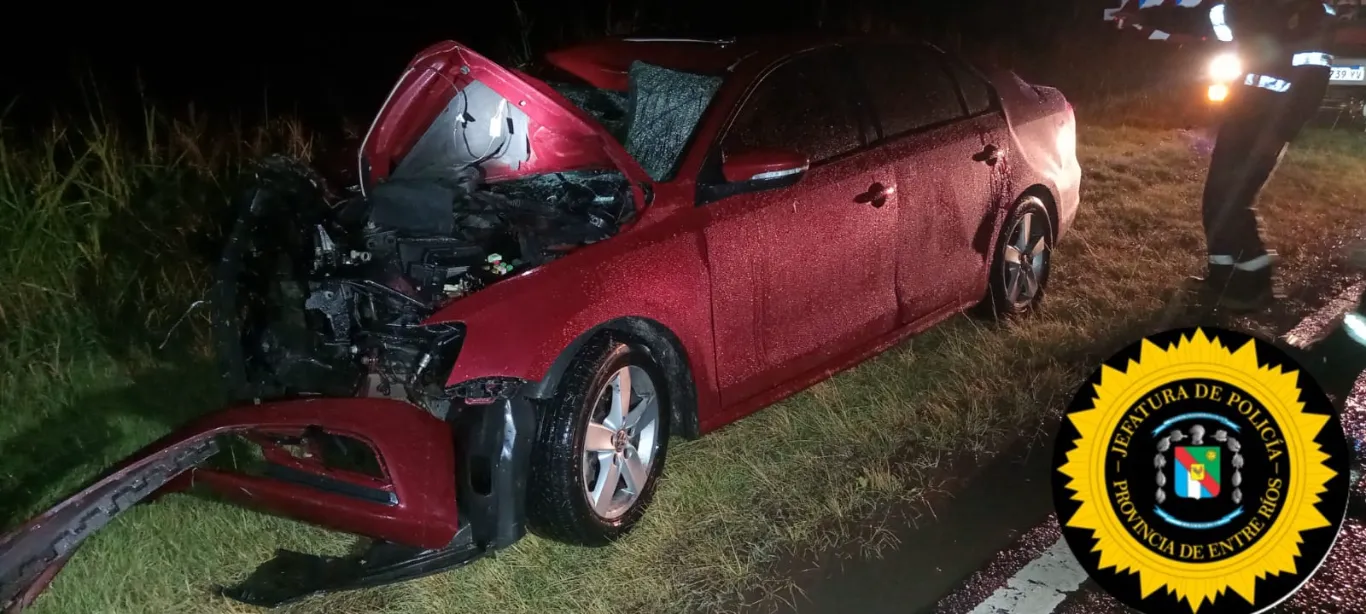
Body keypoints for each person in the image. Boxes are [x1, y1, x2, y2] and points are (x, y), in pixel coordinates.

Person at [1109, 1, 1343, 310]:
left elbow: (1312, 82)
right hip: (1241, 116)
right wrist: (1143, 15)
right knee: (1215, 199)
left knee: (1234, 202)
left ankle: (1255, 287)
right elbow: (1199, 18)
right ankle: (1221, 278)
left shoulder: (1313, 12)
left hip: (1269, 125)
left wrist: (1281, 132)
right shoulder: (1245, 6)